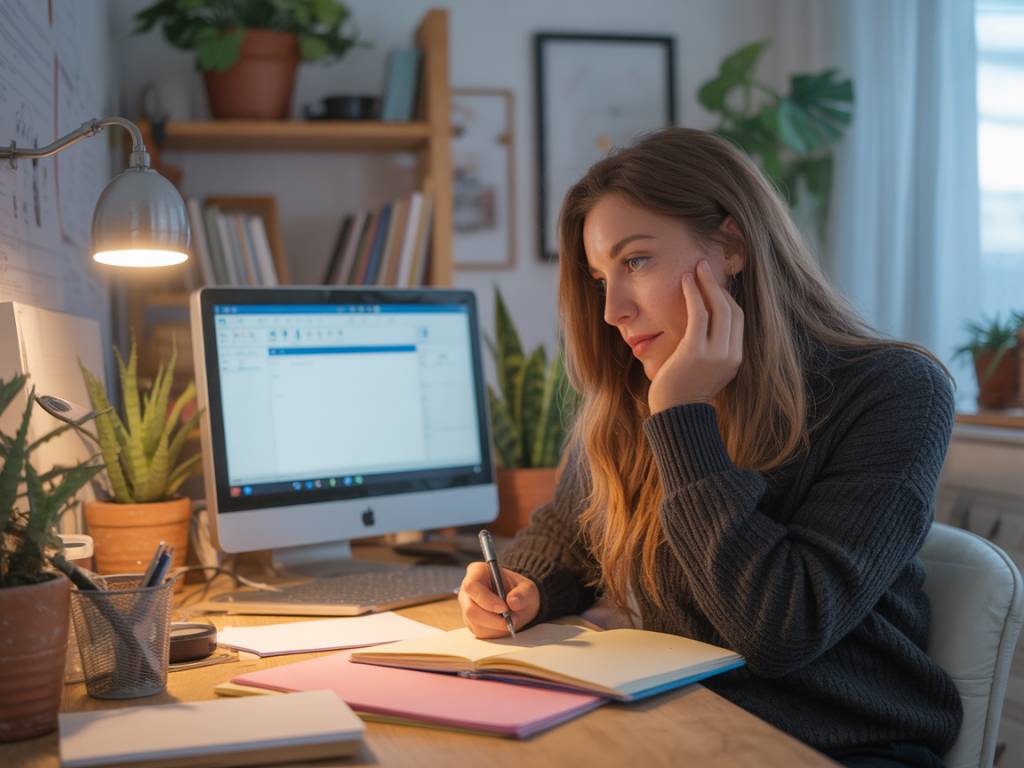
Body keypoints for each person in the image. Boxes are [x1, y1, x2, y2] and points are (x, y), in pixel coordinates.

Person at [458, 128, 963, 768]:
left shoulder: (894, 391)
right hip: (687, 725)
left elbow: (781, 628)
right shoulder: (634, 395)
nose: (613, 308)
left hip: (842, 745)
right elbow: (568, 535)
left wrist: (684, 419)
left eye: (635, 261)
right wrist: (521, 582)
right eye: (599, 276)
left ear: (730, 244)